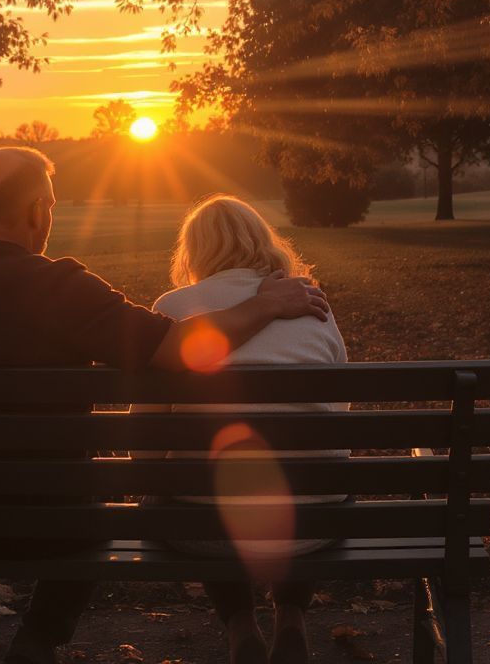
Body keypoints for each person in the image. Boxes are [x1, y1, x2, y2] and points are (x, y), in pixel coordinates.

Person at [0, 148, 331, 664]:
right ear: (37, 211)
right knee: (97, 511)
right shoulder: (61, 286)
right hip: (52, 521)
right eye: (50, 205)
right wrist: (266, 303)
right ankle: (39, 638)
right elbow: (176, 351)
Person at [145, 194, 350, 664]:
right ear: (261, 239)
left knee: (201, 486)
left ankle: (240, 625)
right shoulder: (310, 300)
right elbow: (336, 416)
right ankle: (292, 619)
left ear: (193, 252)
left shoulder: (172, 307)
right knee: (302, 479)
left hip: (205, 526)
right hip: (310, 524)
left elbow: (147, 441)